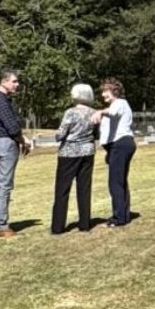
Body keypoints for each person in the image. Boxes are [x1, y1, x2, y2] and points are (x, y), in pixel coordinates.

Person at [50, 83, 100, 235]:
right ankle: (84, 223)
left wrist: (58, 135)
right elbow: (97, 133)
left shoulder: (70, 113)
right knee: (84, 188)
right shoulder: (95, 112)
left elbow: (60, 134)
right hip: (87, 152)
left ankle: (58, 226)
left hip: (69, 153)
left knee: (62, 190)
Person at [0, 69, 30, 240]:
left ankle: (1, 223)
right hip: (5, 143)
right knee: (4, 185)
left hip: (4, 142)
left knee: (4, 185)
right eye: (14, 81)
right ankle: (1, 225)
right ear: (3, 82)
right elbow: (12, 127)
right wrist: (23, 140)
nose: (17, 84)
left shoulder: (2, 100)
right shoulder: (0, 101)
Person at [98, 78, 136, 227]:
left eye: (105, 91)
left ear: (114, 90)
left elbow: (112, 113)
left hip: (120, 144)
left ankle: (118, 218)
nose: (103, 95)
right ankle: (123, 215)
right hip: (117, 146)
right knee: (120, 181)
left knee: (115, 182)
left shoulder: (119, 103)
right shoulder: (117, 105)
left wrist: (100, 112)